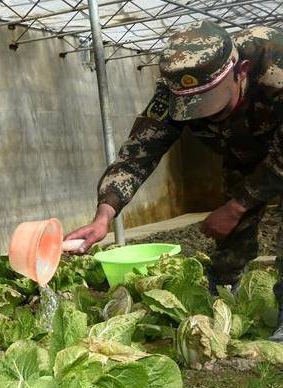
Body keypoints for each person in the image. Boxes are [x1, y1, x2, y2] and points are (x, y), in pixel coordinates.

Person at [65, 21, 283, 341]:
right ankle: (222, 288)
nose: (204, 117)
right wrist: (105, 213)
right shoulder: (176, 86)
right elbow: (140, 151)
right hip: (242, 151)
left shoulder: (276, 69)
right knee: (233, 230)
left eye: (212, 107)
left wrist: (238, 205)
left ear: (242, 71)